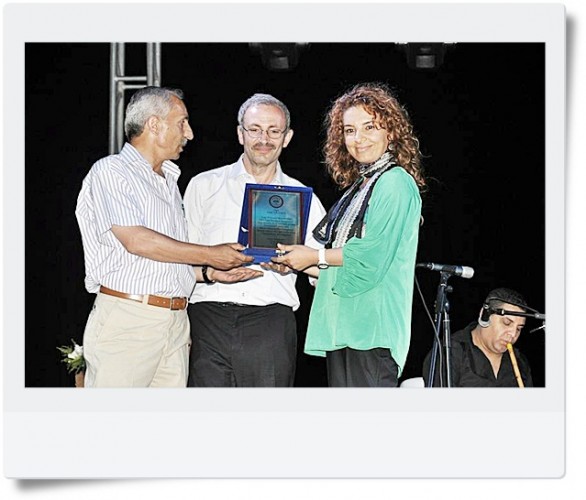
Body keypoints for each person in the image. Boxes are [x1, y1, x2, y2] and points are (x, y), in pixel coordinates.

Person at [75, 86, 257, 388]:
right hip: (130, 321)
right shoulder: (111, 171)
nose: (190, 134)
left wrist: (209, 273)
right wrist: (210, 254)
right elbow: (137, 241)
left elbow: (162, 262)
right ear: (154, 124)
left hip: (175, 323)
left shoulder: (169, 181)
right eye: (182, 123)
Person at [272, 83, 425, 387]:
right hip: (345, 326)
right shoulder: (360, 186)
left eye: (369, 127)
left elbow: (369, 257)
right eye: (350, 130)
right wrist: (297, 262)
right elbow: (345, 266)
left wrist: (312, 256)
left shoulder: (394, 182)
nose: (359, 138)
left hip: (372, 330)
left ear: (390, 132)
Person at [183, 93, 326, 387]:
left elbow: (323, 270)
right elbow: (181, 257)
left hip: (270, 323)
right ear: (240, 133)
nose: (264, 139)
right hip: (207, 317)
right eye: (255, 129)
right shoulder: (204, 185)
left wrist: (296, 264)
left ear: (287, 137)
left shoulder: (303, 199)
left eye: (274, 131)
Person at [422, 288, 534, 387]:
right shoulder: (448, 353)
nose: (513, 334)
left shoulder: (521, 363)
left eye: (519, 328)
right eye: (506, 323)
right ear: (484, 315)